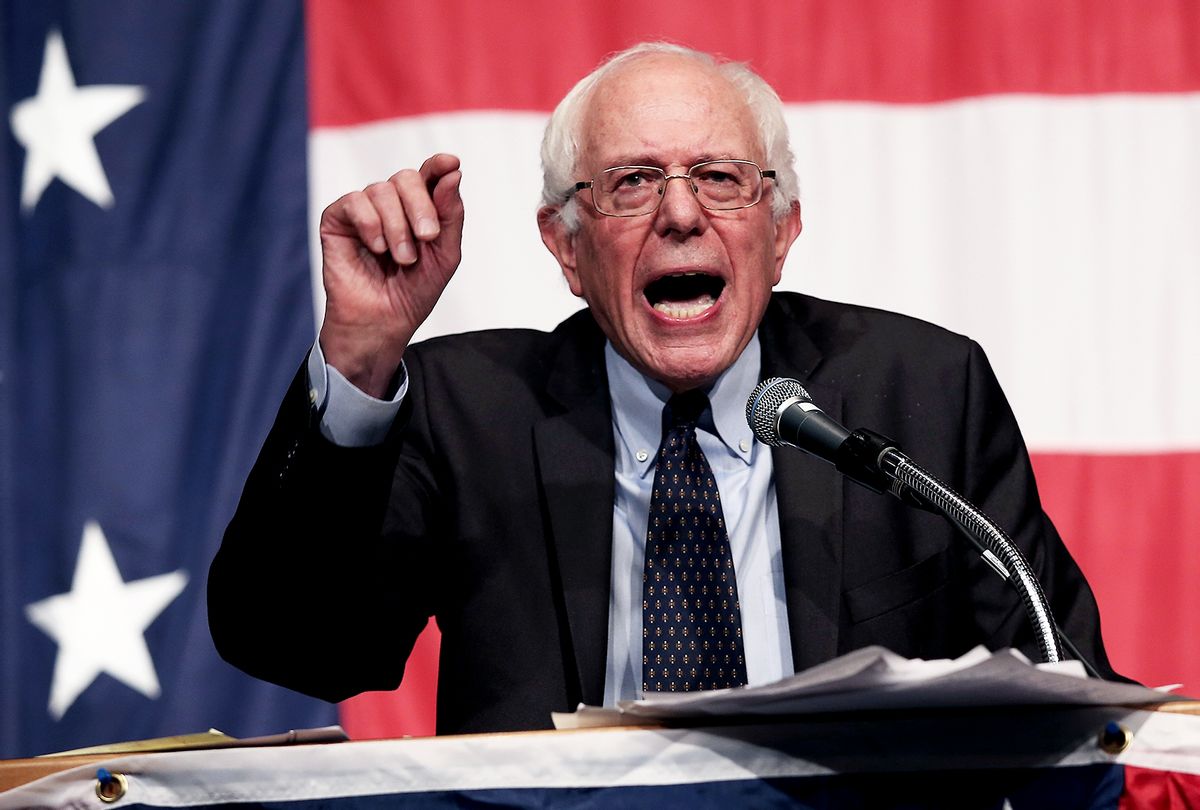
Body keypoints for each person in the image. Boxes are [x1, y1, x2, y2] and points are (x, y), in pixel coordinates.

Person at [208, 43, 1120, 735]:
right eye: (634, 182)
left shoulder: (917, 392)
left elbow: (1074, 698)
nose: (681, 214)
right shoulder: (468, 410)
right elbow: (294, 644)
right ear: (566, 246)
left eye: (721, 180)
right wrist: (361, 358)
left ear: (782, 230)